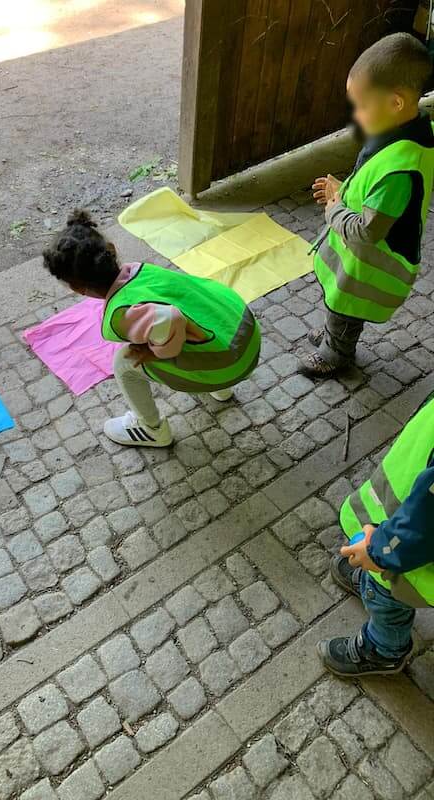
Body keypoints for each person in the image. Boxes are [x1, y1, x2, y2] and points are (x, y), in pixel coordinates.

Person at [42, 209, 261, 447]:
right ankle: (222, 390)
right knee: (195, 319)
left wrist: (158, 351)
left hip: (230, 363)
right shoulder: (142, 272)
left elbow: (169, 318)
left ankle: (151, 428)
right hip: (243, 331)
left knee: (124, 362)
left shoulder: (122, 313)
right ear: (112, 249)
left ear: (76, 288)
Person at [301, 32, 434, 376]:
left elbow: (367, 231)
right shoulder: (399, 133)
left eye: (361, 106)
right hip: (360, 263)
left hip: (371, 268)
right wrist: (343, 189)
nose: (355, 116)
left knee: (346, 308)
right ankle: (334, 335)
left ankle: (337, 354)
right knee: (340, 306)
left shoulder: (400, 170)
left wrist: (334, 209)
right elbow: (370, 189)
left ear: (395, 102)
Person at [318, 394, 434, 676]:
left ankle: (385, 649)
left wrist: (380, 551)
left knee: (390, 591)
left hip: (411, 549)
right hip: (411, 524)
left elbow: (427, 522)